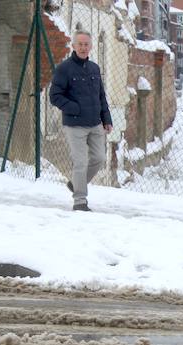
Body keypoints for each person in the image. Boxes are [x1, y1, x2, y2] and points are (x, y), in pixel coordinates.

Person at [50, 30, 113, 212]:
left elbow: (101, 96)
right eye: (80, 44)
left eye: (86, 44)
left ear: (90, 46)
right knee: (80, 162)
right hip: (75, 125)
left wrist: (106, 118)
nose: (83, 47)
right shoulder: (64, 69)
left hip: (95, 123)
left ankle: (76, 183)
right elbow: (54, 96)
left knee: (99, 158)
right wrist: (74, 108)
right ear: (74, 46)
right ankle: (80, 202)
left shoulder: (94, 68)